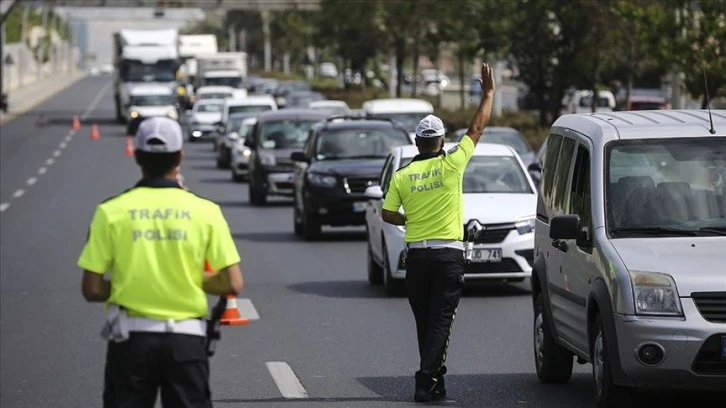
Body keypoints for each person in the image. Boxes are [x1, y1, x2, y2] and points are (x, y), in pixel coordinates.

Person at [78, 116, 244, 408]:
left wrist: (132, 284)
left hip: (130, 342)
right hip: (186, 342)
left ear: (137, 156)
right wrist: (189, 280)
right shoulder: (206, 211)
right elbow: (233, 283)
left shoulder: (110, 212)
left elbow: (91, 289)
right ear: (180, 156)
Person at [381, 63, 496, 403]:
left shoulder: (403, 175)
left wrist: (409, 219)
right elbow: (476, 129)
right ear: (442, 141)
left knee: (426, 324)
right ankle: (423, 380)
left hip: (416, 257)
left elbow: (387, 213)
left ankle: (435, 383)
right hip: (448, 257)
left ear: (417, 142)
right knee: (440, 324)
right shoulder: (452, 164)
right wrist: (488, 93)